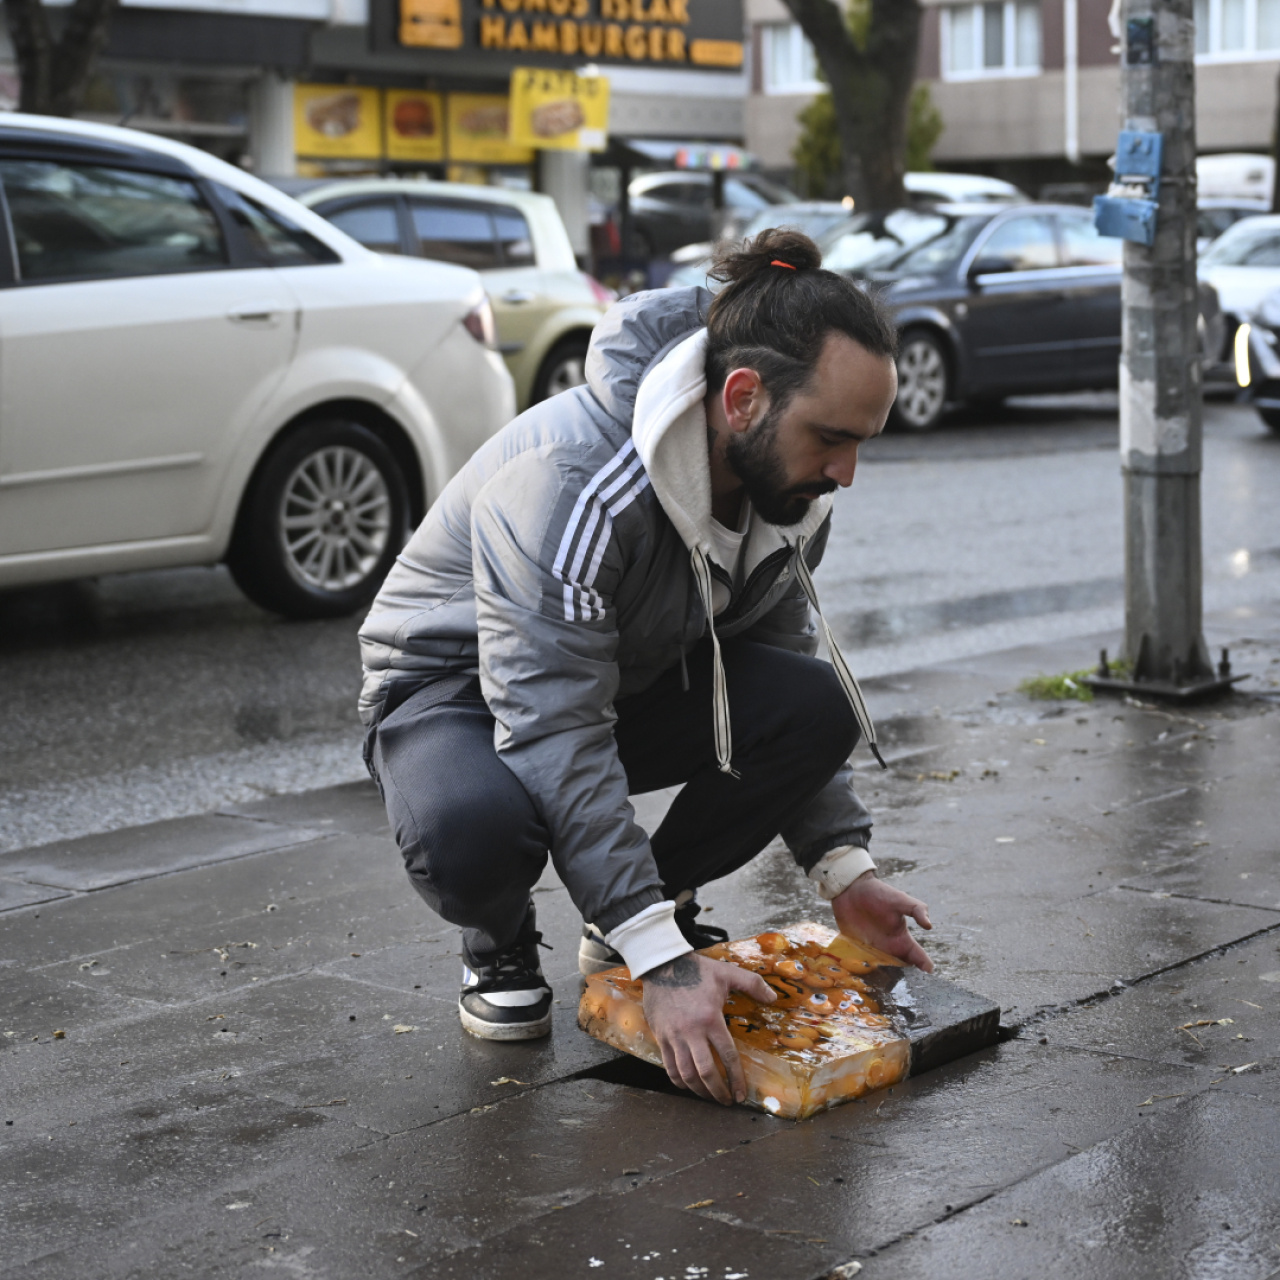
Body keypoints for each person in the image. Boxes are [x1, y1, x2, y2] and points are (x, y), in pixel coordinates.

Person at [358, 228, 933, 1106]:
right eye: (830, 437)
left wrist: (843, 872)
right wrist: (665, 966)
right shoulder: (574, 484)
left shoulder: (786, 487)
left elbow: (776, 667)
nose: (846, 473)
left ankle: (633, 913)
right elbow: (553, 725)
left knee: (815, 705)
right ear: (743, 398)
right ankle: (499, 939)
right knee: (473, 830)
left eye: (861, 442)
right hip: (454, 693)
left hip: (619, 676)